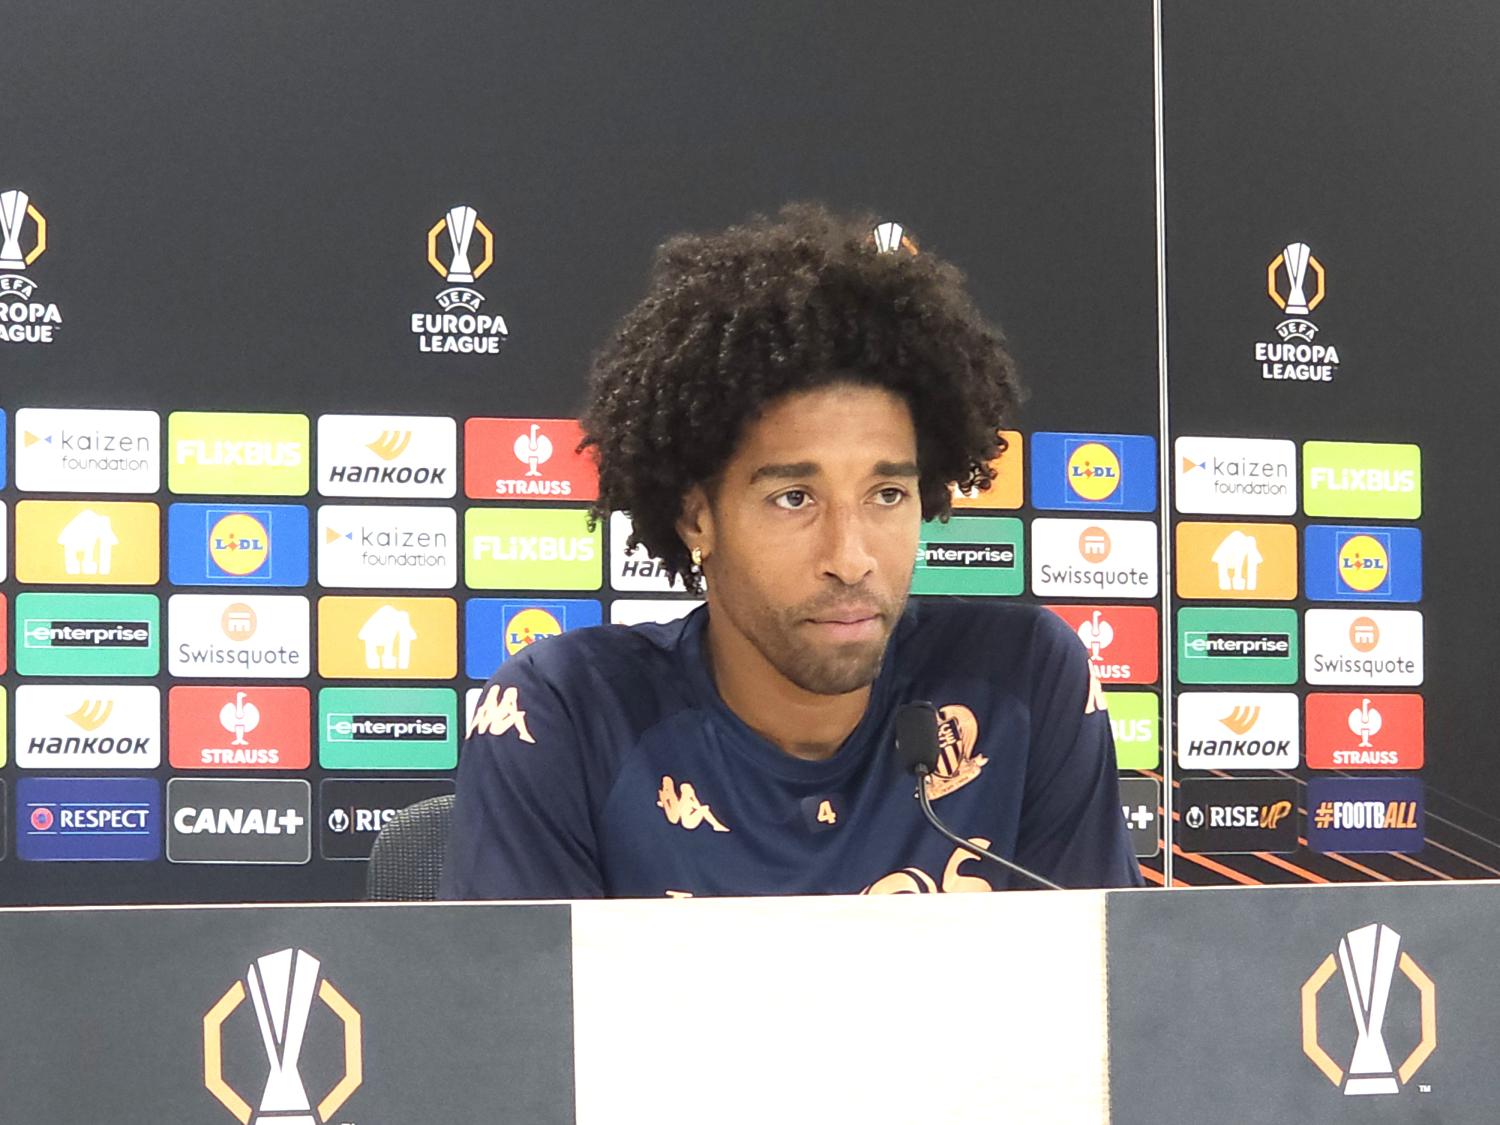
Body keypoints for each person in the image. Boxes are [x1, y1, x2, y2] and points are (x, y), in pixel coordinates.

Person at [440, 203, 1142, 899]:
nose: (851, 557)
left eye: (887, 494)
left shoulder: (1022, 681)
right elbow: (519, 979)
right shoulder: (568, 714)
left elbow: (1107, 970)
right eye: (794, 498)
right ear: (696, 519)